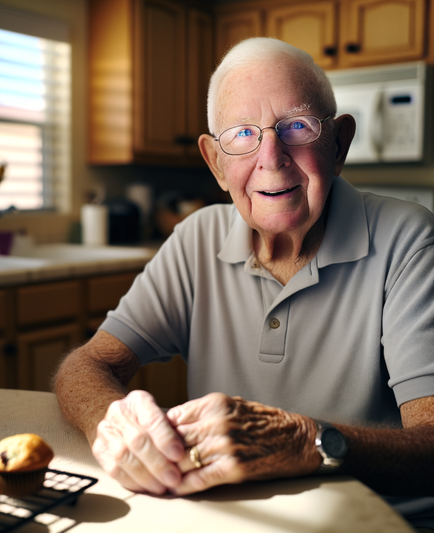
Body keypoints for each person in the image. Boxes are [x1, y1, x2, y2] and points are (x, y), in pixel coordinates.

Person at [54, 38, 434, 528]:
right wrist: (114, 421)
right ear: (215, 162)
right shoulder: (196, 238)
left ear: (338, 144)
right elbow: (86, 365)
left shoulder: (409, 240)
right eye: (242, 134)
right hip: (233, 521)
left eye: (297, 127)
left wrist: (304, 441)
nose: (271, 158)